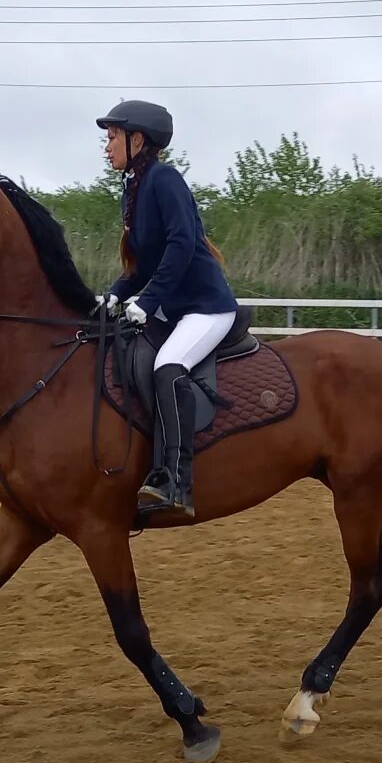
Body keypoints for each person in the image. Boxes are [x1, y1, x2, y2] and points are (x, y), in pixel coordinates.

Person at [95, 100, 239, 519]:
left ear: (137, 140)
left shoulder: (165, 179)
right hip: (173, 309)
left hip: (205, 308)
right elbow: (144, 264)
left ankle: (175, 481)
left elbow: (181, 245)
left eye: (113, 137)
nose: (107, 146)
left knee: (168, 366)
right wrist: (116, 294)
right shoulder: (134, 189)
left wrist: (148, 301)